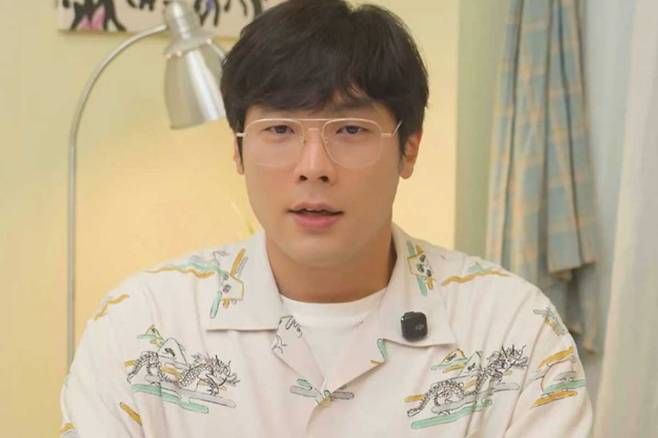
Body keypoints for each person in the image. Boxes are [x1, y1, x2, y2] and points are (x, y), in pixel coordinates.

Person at [59, 0, 593, 436]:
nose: (313, 167)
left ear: (409, 149)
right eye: (280, 130)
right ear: (238, 150)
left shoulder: (511, 331)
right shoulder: (142, 327)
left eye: (351, 130)